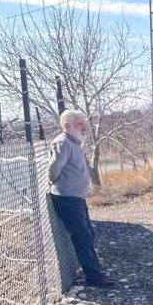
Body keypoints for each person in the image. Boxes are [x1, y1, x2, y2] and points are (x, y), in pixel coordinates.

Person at [48, 110, 113, 288]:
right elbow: (54, 169)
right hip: (67, 199)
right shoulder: (63, 143)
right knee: (82, 237)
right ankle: (93, 278)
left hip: (76, 198)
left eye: (84, 124)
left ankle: (96, 272)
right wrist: (54, 183)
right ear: (67, 126)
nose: (84, 127)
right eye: (79, 124)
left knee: (88, 234)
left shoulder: (74, 142)